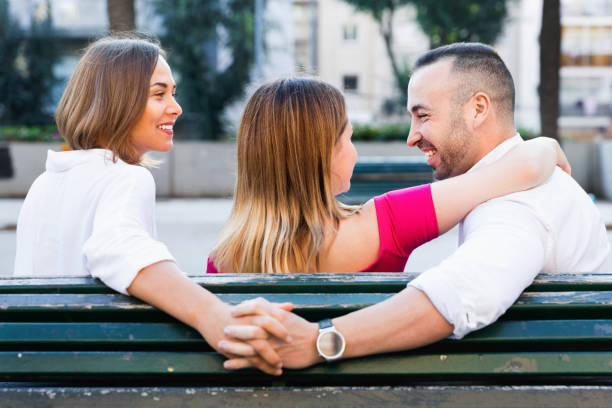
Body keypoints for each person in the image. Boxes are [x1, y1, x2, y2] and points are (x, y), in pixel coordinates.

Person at [219, 43, 610, 371]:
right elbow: (454, 297)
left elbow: (459, 295)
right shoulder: (387, 221)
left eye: (422, 115)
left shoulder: (222, 262)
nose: (411, 137)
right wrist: (538, 150)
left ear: (478, 109)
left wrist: (318, 341)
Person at [13, 36, 291, 376]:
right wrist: (214, 316)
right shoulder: (125, 178)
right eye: (159, 94)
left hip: (31, 370)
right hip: (96, 373)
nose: (176, 107)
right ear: (116, 102)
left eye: (173, 93)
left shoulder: (46, 182)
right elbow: (117, 247)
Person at [207, 77, 569, 274]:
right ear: (321, 155)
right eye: (348, 138)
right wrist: (549, 146)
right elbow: (522, 167)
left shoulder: (223, 259)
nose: (354, 151)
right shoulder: (387, 223)